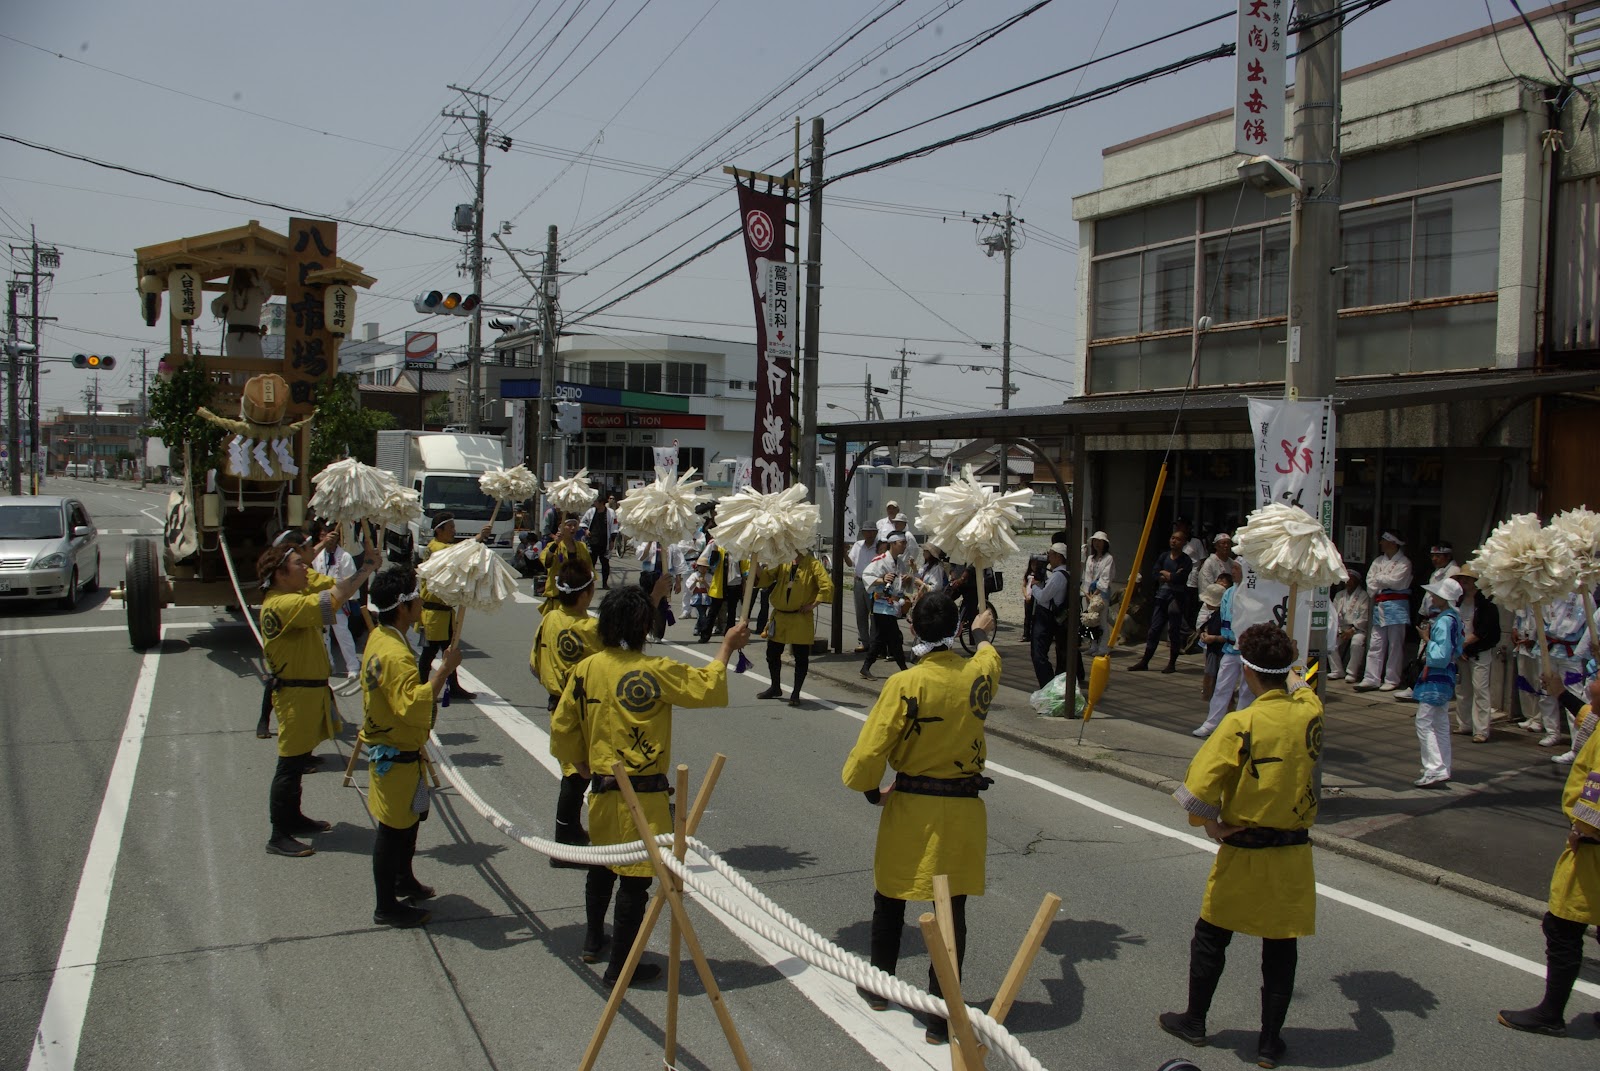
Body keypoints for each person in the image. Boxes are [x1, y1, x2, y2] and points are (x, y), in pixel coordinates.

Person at [549, 588, 750, 987]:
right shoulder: (653, 670)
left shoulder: (586, 669)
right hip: (643, 793)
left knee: (603, 865)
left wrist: (580, 762)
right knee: (636, 879)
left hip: (603, 790)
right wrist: (726, 647)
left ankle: (593, 940)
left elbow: (562, 726)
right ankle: (622, 966)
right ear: (642, 628)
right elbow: (706, 687)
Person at [1159, 624, 1323, 1069]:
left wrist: (1208, 825)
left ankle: (1195, 1020)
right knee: (1280, 946)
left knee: (1212, 934)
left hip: (1245, 846)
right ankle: (1270, 1042)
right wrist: (1295, 670)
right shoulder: (1310, 713)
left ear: (1247, 672)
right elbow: (1304, 686)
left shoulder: (1241, 722)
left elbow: (1198, 789)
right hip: (1293, 852)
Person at [842, 594, 1000, 1045]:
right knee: (951, 911)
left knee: (891, 897)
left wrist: (872, 789)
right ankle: (940, 1016)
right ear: (957, 627)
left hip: (913, 804)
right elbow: (989, 656)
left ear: (913, 629)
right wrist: (983, 636)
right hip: (964, 808)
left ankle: (878, 987)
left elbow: (871, 750)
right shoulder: (979, 675)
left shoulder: (906, 683)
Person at [257, 538, 379, 858]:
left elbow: (335, 587)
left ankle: (293, 818)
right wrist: (365, 567)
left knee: (298, 763)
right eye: (298, 564)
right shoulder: (281, 604)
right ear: (281, 574)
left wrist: (365, 569)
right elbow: (332, 600)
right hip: (295, 694)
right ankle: (278, 833)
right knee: (289, 764)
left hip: (307, 692)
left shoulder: (292, 593)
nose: (305, 567)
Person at [1496, 672, 1600, 1037]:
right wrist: (1560, 693)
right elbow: (1587, 716)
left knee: (1563, 927)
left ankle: (1551, 1013)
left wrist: (1583, 831)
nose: (1591, 684)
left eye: (1598, 678)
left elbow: (1597, 792)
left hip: (1593, 849)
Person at [359, 565, 459, 927]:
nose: (420, 601)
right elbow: (413, 703)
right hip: (395, 751)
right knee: (393, 830)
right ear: (403, 607)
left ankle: (404, 879)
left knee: (409, 823)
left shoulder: (382, 637)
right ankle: (385, 904)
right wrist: (444, 671)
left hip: (400, 751)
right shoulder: (395, 654)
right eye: (416, 597)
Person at [532, 560, 603, 869]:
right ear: (586, 593)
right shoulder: (590, 628)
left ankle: (571, 831)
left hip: (556, 700)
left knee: (575, 771)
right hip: (582, 707)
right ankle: (564, 844)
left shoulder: (549, 618)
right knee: (578, 774)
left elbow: (534, 662)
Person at [418, 512, 491, 702]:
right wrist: (477, 538)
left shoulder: (442, 546)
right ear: (439, 530)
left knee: (450, 651)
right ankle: (421, 687)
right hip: (434, 612)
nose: (454, 531)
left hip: (445, 612)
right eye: (450, 528)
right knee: (430, 653)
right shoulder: (435, 548)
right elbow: (453, 553)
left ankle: (453, 686)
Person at [755, 547, 834, 705]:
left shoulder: (813, 564)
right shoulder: (783, 561)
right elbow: (765, 577)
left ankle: (796, 693)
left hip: (800, 617)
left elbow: (827, 586)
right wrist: (754, 561)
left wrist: (813, 605)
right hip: (780, 616)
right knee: (772, 653)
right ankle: (775, 687)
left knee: (801, 657)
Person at [1412, 577, 1465, 788]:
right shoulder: (1455, 618)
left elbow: (1440, 655)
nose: (1432, 596)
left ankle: (1433, 768)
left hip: (1436, 674)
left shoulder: (1444, 621)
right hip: (1448, 674)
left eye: (1435, 594)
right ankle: (1443, 767)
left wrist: (1426, 638)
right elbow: (1457, 649)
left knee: (1424, 721)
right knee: (1440, 722)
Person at [1395, 542, 1461, 700]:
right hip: (1430, 617)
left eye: (1438, 555)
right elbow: (1428, 598)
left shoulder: (1453, 571)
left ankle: (1425, 687)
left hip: (1439, 617)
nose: (1435, 559)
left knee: (1434, 654)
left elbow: (1446, 597)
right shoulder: (1437, 572)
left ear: (1448, 556)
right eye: (1433, 556)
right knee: (1423, 653)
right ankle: (1418, 685)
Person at [1355, 532, 1412, 692]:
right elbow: (1370, 582)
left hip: (1397, 606)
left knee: (1395, 644)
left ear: (1392, 543)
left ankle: (1392, 678)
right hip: (1380, 605)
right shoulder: (1378, 561)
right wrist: (1383, 580)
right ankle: (1371, 678)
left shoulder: (1404, 562)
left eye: (1384, 541)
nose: (1381, 543)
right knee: (1376, 643)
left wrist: (1380, 579)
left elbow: (1397, 582)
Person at [1130, 530, 1193, 673]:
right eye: (1172, 538)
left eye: (1178, 539)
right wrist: (1169, 575)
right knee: (1154, 629)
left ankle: (1172, 663)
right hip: (1161, 596)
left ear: (1183, 542)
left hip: (1176, 597)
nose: (1174, 541)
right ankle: (1145, 661)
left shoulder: (1186, 560)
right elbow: (1154, 573)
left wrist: (1167, 575)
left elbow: (1180, 578)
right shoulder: (1164, 556)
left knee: (1174, 631)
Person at [1193, 579, 1248, 739]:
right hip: (1229, 649)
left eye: (1238, 568)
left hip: (1245, 648)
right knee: (1221, 686)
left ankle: (1240, 727)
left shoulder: (1252, 590)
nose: (1235, 571)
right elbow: (1224, 619)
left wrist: (1217, 638)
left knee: (1246, 691)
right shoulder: (1230, 592)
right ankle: (1212, 723)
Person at [1452, 565, 1500, 744]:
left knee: (1480, 690)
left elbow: (1484, 630)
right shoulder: (1458, 600)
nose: (1463, 582)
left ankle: (1481, 730)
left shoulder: (1486, 602)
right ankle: (1465, 724)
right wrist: (1459, 647)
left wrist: (1463, 645)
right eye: (1462, 579)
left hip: (1479, 650)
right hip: (1462, 650)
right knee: (1463, 690)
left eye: (1467, 579)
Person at [310, 520, 361, 678]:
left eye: (328, 535)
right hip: (322, 598)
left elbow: (350, 580)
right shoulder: (318, 555)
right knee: (324, 635)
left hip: (338, 601)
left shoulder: (344, 556)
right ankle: (328, 664)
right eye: (322, 536)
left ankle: (353, 666)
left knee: (342, 634)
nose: (326, 539)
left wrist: (349, 599)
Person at [861, 531, 911, 679]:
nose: (904, 546)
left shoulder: (900, 562)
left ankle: (866, 667)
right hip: (881, 603)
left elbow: (901, 585)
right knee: (894, 637)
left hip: (892, 604)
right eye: (902, 543)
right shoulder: (880, 559)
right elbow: (866, 576)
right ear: (893, 543)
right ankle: (903, 668)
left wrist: (907, 580)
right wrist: (882, 579)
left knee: (881, 638)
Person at [1025, 543, 1072, 688]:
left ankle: (1048, 685)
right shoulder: (1066, 573)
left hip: (1045, 616)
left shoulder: (1058, 576)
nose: (1048, 558)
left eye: (1050, 554)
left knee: (1038, 653)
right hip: (1052, 616)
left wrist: (1033, 586)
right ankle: (1050, 684)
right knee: (1043, 652)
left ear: (1058, 556)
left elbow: (1043, 596)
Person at [695, 536, 747, 643]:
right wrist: (714, 549)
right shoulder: (717, 544)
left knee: (732, 611)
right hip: (719, 583)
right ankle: (705, 634)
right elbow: (709, 562)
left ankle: (729, 636)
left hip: (735, 583)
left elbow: (745, 566)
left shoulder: (740, 545)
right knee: (713, 610)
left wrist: (745, 582)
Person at [1326, 570, 1370, 683]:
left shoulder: (1364, 595)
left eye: (1351, 579)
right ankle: (1337, 670)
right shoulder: (1340, 595)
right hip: (1342, 627)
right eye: (1347, 579)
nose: (1348, 582)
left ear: (1357, 581)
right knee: (1330, 642)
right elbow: (1334, 615)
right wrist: (1337, 629)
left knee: (1356, 643)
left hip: (1357, 628)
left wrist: (1352, 630)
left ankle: (1352, 672)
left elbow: (1364, 617)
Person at [637, 539, 685, 641]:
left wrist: (678, 581)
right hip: (648, 576)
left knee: (662, 607)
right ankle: (642, 631)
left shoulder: (672, 545)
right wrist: (649, 543)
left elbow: (678, 563)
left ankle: (658, 634)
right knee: (646, 605)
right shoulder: (646, 542)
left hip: (664, 577)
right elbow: (641, 557)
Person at [539, 515, 593, 600]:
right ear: (561, 528)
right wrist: (555, 543)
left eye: (575, 525)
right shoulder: (553, 546)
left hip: (577, 590)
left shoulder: (582, 546)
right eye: (569, 525)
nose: (573, 528)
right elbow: (548, 562)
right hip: (558, 592)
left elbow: (589, 569)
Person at [1082, 531, 1115, 656]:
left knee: (1102, 620)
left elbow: (1106, 577)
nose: (1097, 543)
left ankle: (1103, 647)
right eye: (1095, 541)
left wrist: (1096, 592)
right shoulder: (1090, 558)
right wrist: (1087, 593)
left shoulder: (1108, 558)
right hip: (1090, 592)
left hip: (1101, 593)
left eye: (1100, 541)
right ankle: (1093, 645)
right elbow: (1087, 576)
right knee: (1091, 620)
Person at [1198, 578, 1231, 702]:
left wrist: (1213, 638)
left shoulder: (1223, 616)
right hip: (1212, 649)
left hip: (1219, 650)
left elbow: (1229, 636)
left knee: (1215, 675)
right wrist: (1204, 633)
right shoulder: (1214, 614)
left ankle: (1213, 697)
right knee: (1211, 673)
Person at [847, 531, 878, 654]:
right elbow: (850, 563)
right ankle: (863, 642)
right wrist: (844, 552)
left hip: (874, 582)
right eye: (866, 532)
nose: (869, 535)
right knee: (861, 613)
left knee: (874, 614)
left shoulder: (879, 545)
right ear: (863, 533)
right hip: (859, 581)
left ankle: (875, 642)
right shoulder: (858, 545)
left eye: (871, 532)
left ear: (875, 533)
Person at [579, 493, 617, 588]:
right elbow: (583, 522)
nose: (594, 503)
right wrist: (586, 530)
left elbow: (614, 527)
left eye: (596, 501)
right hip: (592, 540)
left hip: (604, 542)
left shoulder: (611, 513)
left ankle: (605, 583)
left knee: (605, 563)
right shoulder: (591, 511)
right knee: (591, 563)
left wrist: (612, 540)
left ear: (602, 503)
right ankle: (589, 583)